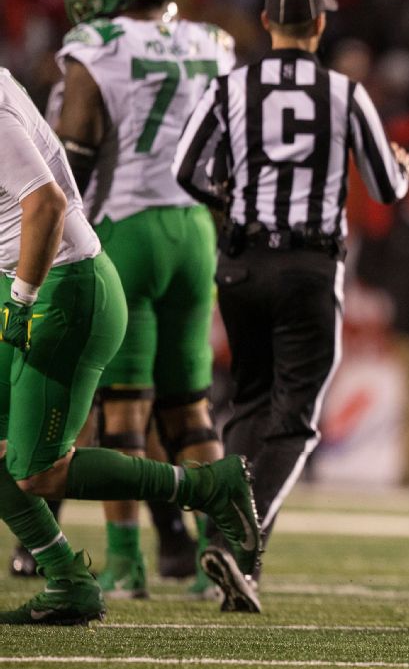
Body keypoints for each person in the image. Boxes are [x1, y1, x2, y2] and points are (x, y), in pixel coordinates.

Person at [173, 0, 409, 613]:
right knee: (297, 419)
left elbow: (184, 169)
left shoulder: (232, 86)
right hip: (309, 266)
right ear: (322, 26)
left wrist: (227, 203)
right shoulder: (344, 92)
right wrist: (406, 170)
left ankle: (239, 558)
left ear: (264, 21)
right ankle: (239, 540)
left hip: (243, 263)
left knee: (249, 406)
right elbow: (387, 188)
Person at [0, 66, 258, 626]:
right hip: (37, 277)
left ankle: (208, 485)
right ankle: (69, 580)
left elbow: (45, 204)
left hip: (59, 284)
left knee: (38, 471)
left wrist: (19, 302)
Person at [44, 0, 238, 600]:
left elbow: (73, 151)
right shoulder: (213, 40)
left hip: (127, 226)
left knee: (124, 410)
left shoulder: (97, 42)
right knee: (191, 406)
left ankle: (126, 564)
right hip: (195, 230)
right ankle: (223, 552)